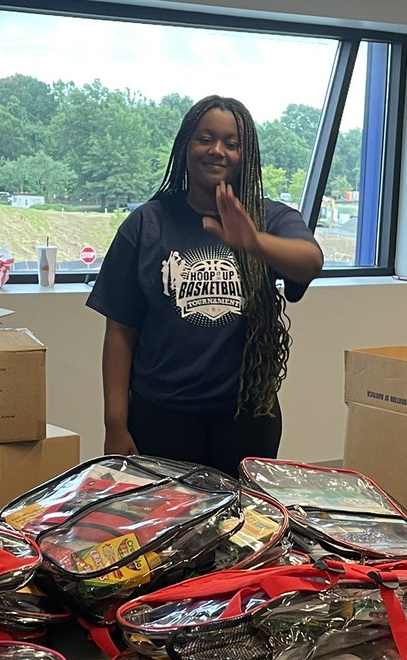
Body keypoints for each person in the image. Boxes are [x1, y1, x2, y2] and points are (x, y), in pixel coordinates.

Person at [86, 95, 324, 477]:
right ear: (186, 146)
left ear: (246, 155)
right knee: (168, 528)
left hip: (247, 416)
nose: (217, 151)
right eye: (206, 139)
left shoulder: (269, 218)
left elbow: (310, 263)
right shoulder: (147, 223)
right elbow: (120, 330)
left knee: (244, 527)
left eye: (232, 143)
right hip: (161, 415)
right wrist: (115, 424)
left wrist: (254, 242)